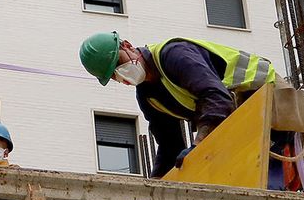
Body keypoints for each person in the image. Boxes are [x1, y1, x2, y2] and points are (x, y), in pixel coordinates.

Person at [78, 31, 282, 182]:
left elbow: (216, 97)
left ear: (128, 46)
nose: (121, 74)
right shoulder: (149, 96)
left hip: (270, 101)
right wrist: (149, 189)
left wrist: (198, 145)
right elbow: (170, 146)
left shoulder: (174, 55)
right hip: (242, 122)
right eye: (113, 75)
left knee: (266, 187)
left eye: (119, 63)